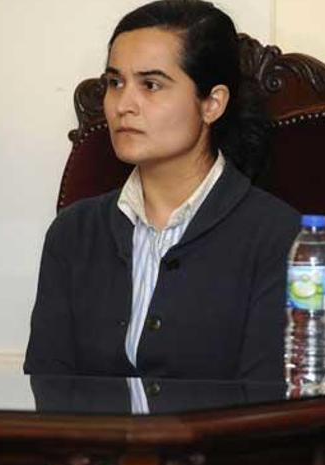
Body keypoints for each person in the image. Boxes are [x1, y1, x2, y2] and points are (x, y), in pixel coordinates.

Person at [24, 0, 299, 382]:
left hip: (225, 444)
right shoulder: (72, 233)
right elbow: (46, 388)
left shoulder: (280, 237)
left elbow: (269, 408)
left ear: (212, 104)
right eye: (115, 83)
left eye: (150, 85)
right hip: (88, 443)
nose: (124, 105)